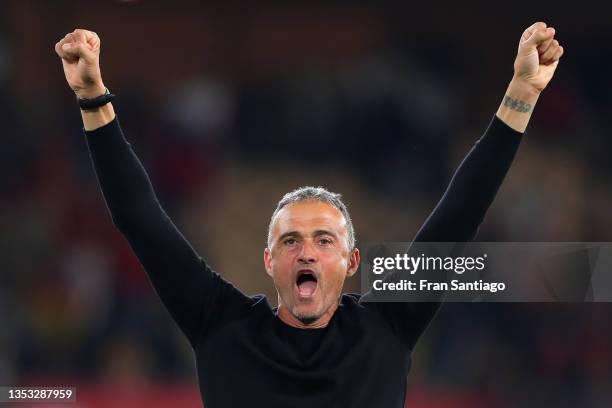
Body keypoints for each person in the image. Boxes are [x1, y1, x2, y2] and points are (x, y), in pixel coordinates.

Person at [55, 22, 564, 408]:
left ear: (351, 261)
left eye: (324, 240)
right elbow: (139, 218)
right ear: (269, 260)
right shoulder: (219, 323)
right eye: (291, 241)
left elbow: (461, 213)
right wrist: (91, 97)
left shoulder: (389, 322)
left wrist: (521, 94)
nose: (307, 251)